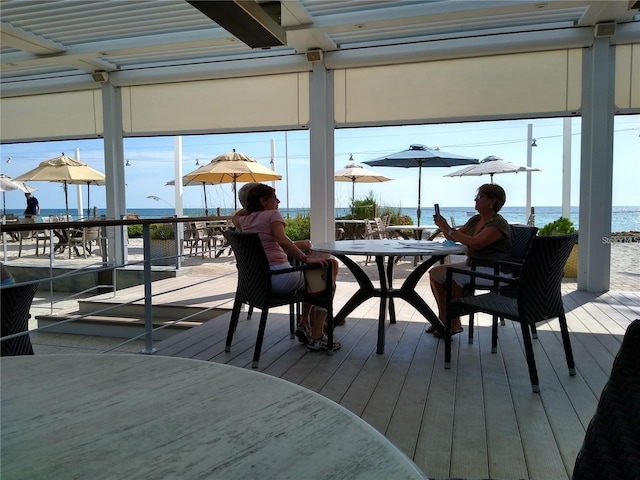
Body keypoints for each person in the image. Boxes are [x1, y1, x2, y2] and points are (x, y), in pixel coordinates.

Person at [232, 183, 341, 351]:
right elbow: (281, 240)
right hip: (281, 278)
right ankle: (317, 335)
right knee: (329, 269)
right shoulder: (272, 215)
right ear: (263, 201)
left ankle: (305, 323)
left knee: (315, 276)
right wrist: (305, 258)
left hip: (260, 281)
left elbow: (235, 218)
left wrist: (250, 207)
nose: (278, 201)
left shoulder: (244, 221)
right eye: (274, 198)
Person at [428, 183, 512, 337]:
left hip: (495, 270)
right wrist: (443, 226)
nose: (475, 199)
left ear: (492, 201)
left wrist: (450, 229)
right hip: (474, 265)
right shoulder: (476, 219)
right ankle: (443, 317)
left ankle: (454, 322)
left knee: (454, 274)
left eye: (480, 196)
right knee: (435, 273)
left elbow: (476, 243)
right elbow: (453, 237)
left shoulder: (497, 223)